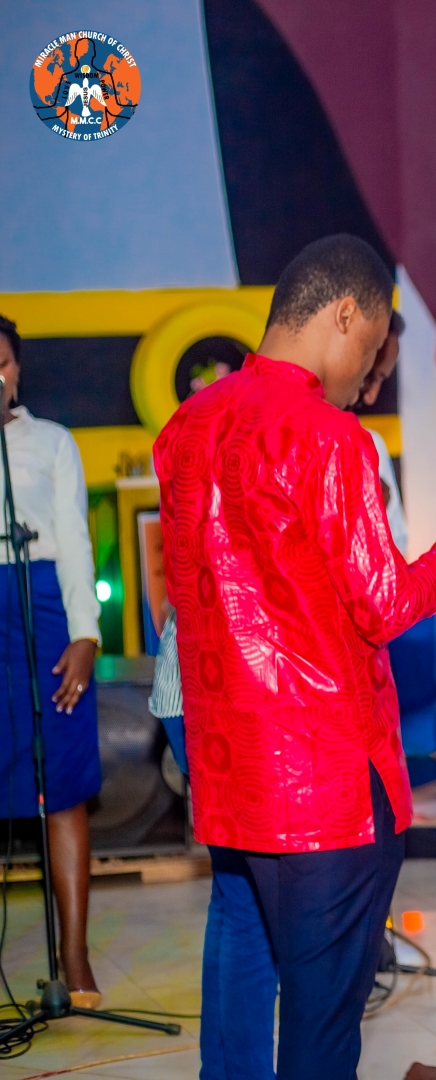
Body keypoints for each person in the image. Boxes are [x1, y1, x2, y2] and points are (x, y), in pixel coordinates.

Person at [155, 234, 436, 1080]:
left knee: (251, 962)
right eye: (371, 350)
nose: (365, 374)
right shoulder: (329, 437)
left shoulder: (186, 428)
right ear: (344, 315)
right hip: (326, 783)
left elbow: (256, 588)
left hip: (232, 769)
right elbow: (378, 607)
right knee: (324, 1025)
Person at [0, 314, 102, 1008]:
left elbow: (74, 538)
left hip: (42, 612)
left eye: (2, 363)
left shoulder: (52, 442)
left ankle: (74, 957)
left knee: (61, 781)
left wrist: (85, 633)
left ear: (16, 370)